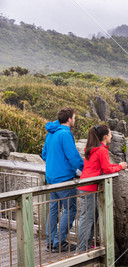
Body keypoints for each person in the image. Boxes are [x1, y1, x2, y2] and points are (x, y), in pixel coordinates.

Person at [77, 125, 127, 252]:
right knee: (87, 218)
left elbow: (105, 166)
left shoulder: (93, 148)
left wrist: (116, 165)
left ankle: (87, 244)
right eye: (110, 134)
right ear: (105, 136)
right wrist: (120, 167)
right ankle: (82, 248)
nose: (111, 136)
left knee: (90, 217)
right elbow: (107, 169)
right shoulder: (102, 150)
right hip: (89, 187)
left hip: (85, 185)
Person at [42, 107, 84, 253]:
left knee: (54, 210)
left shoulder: (50, 134)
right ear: (69, 119)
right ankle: (59, 242)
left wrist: (56, 163)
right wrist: (85, 168)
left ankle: (50, 242)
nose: (75, 120)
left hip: (51, 178)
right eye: (74, 117)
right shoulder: (65, 134)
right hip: (64, 179)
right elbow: (73, 157)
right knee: (70, 209)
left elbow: (44, 155)